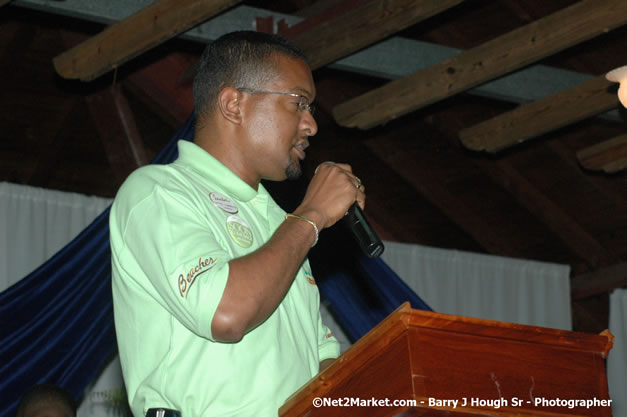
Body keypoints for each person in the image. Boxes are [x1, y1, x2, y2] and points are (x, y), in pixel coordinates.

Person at [110, 30, 366, 417]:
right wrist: (312, 215)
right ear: (234, 104)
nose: (311, 125)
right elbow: (225, 314)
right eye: (299, 103)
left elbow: (319, 366)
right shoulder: (157, 192)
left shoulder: (281, 223)